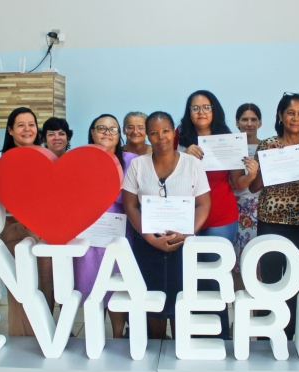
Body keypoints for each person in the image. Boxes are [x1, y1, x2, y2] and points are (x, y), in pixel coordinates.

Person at [178, 90, 259, 340]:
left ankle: (221, 334)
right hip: (186, 217)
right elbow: (166, 173)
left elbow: (237, 182)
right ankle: (197, 333)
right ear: (189, 112)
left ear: (215, 110)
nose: (201, 112)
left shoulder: (228, 139)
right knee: (192, 278)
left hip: (221, 217)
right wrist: (182, 156)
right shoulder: (179, 139)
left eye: (206, 107)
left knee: (216, 277)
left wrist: (251, 175)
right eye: (195, 108)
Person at [123, 111, 211, 339]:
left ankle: (179, 346)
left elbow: (203, 204)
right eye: (154, 133)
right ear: (147, 136)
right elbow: (130, 206)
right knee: (152, 300)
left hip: (184, 245)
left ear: (173, 133)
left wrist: (187, 233)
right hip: (148, 245)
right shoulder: (137, 166)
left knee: (181, 299)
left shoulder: (192, 164)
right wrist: (150, 238)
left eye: (165, 131)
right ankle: (158, 343)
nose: (160, 137)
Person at [249, 93, 299, 340]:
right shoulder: (267, 145)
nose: (296, 118)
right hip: (270, 221)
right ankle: (265, 337)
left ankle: (288, 337)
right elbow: (254, 186)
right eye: (290, 113)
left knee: (293, 281)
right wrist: (265, 166)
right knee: (270, 279)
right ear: (280, 116)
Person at [0, 107, 54, 336]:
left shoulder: (44, 156)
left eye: (31, 124)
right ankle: (23, 339)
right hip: (15, 230)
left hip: (43, 230)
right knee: (23, 287)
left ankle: (45, 334)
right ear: (10, 130)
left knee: (45, 284)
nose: (27, 129)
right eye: (21, 125)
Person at [73, 114, 137, 338]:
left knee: (116, 284)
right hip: (88, 233)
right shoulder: (79, 159)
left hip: (119, 233)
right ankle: (95, 336)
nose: (107, 133)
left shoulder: (131, 161)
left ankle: (117, 336)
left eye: (113, 129)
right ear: (92, 132)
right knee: (91, 284)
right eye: (102, 128)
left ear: (119, 135)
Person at [232, 103, 263, 292]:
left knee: (258, 262)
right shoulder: (230, 146)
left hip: (260, 211)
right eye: (244, 119)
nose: (249, 123)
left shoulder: (267, 146)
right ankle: (238, 307)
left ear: (260, 122)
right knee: (236, 264)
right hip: (234, 210)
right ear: (237, 122)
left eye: (253, 119)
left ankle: (257, 308)